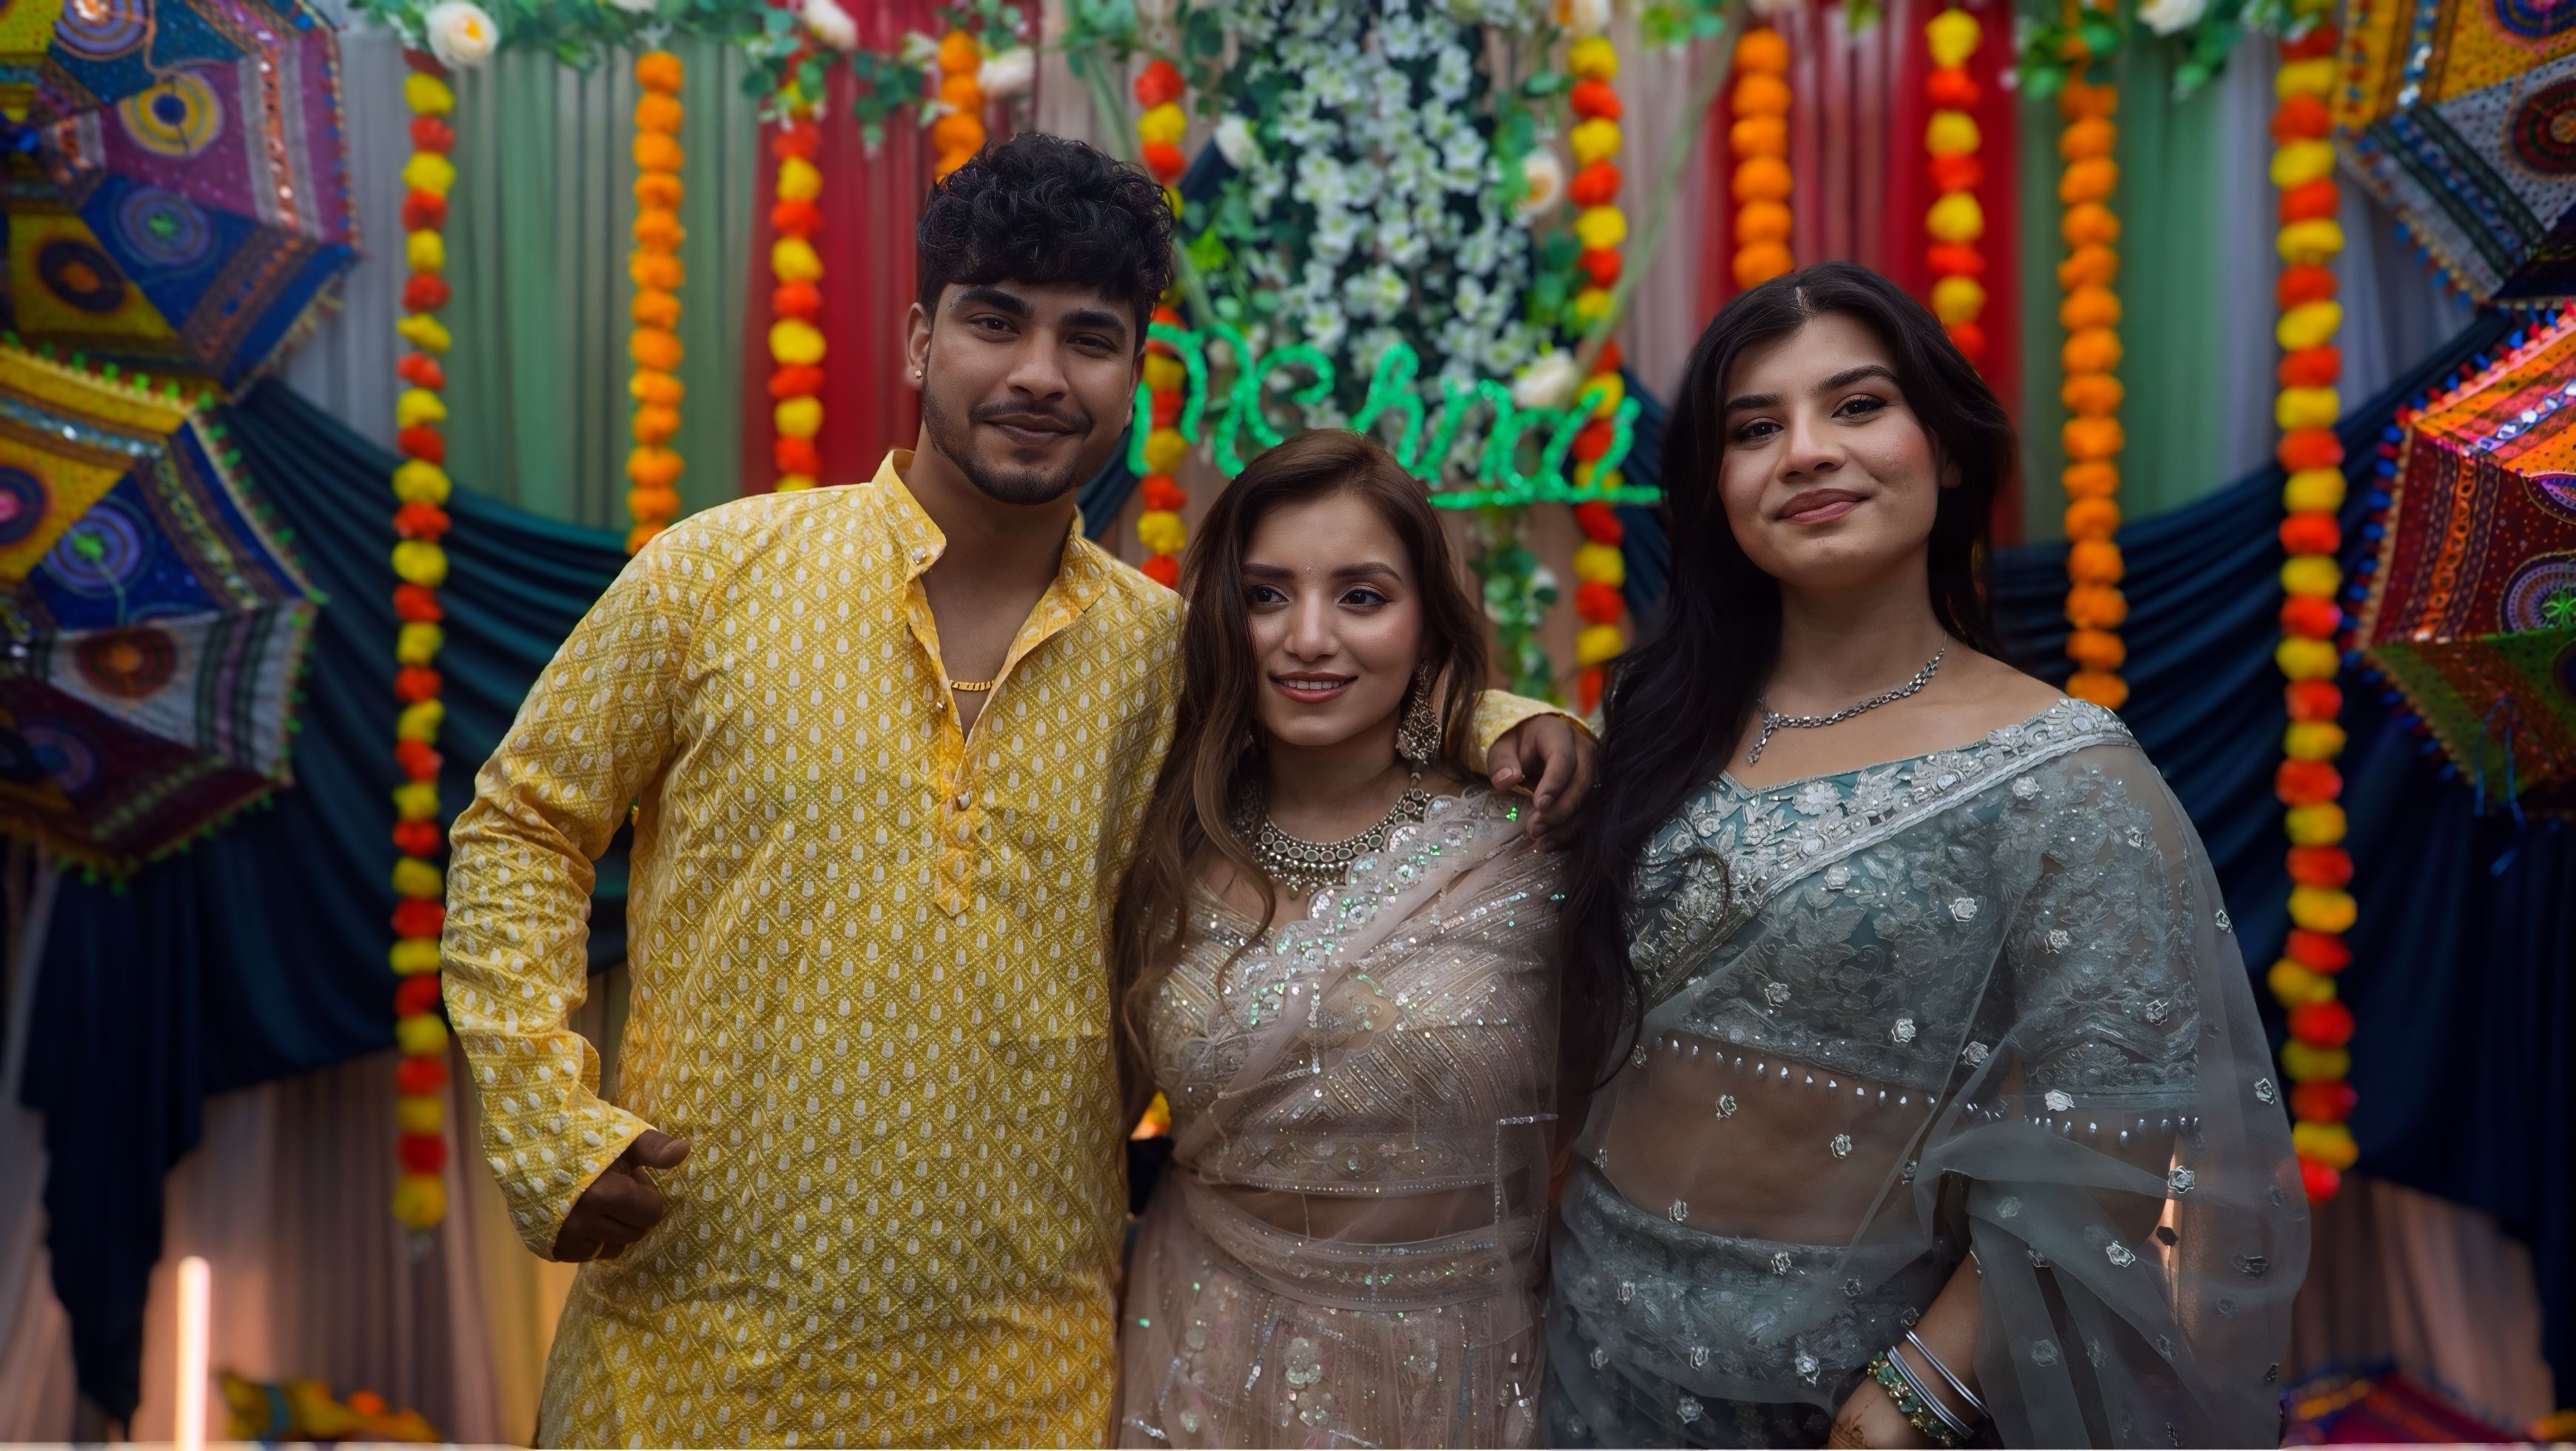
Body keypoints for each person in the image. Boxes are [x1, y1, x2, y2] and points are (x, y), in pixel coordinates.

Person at [438, 135, 1593, 1447]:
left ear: (1131, 378)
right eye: (997, 323)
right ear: (924, 341)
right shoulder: (714, 576)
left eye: (1089, 338)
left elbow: (1343, 690)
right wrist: (543, 1113)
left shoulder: (1172, 656)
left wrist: (1509, 715)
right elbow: (526, 822)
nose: (1041, 375)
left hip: (1022, 1376)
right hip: (696, 1347)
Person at [1542, 263, 2308, 1448]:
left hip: (1856, 1397)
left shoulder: (2063, 777)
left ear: (1946, 450)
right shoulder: (1651, 725)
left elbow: (2106, 1125)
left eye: (1856, 407)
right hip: (1591, 1352)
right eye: (1756, 428)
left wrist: (1920, 1387)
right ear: (1717, 486)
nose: (1805, 452)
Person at [1109, 431, 1561, 1448]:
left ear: (1427, 632)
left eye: (1361, 596)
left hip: (1462, 1364)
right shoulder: (1159, 846)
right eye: (1267, 595)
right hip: (1201, 1346)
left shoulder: (1528, 846)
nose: (1308, 637)